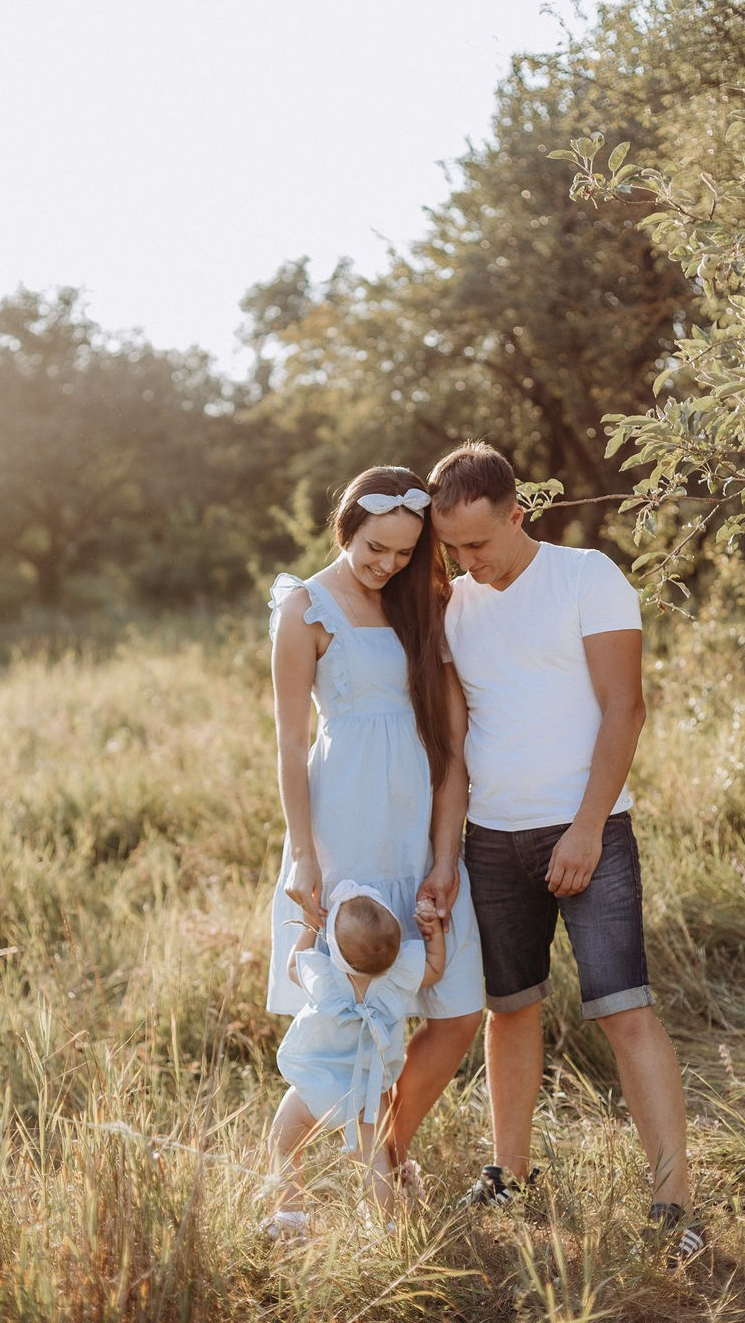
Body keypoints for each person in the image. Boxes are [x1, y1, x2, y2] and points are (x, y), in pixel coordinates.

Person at [425, 441, 705, 1268]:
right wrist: (446, 852)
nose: (470, 562)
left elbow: (626, 709)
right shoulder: (453, 604)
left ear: (518, 514)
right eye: (454, 548)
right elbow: (456, 744)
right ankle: (509, 1176)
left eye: (480, 542)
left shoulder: (587, 577)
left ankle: (673, 1204)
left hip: (591, 832)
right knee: (508, 1008)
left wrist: (585, 828)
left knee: (624, 1010)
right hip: (491, 839)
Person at [267, 465, 484, 1183]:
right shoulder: (305, 608)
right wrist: (306, 857)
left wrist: (445, 856)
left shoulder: (423, 603)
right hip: (347, 828)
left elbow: (451, 746)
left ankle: (387, 1149)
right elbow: (290, 745)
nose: (388, 565)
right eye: (375, 549)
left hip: (416, 825)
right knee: (351, 1016)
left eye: (404, 553)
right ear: (346, 529)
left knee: (457, 1007)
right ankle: (300, 1183)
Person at [264, 882, 446, 1237]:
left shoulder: (325, 977)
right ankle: (384, 1228)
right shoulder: (399, 976)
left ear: (333, 946)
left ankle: (289, 1216)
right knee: (374, 1161)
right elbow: (435, 969)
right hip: (366, 1094)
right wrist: (433, 933)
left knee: (283, 1142)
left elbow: (292, 966)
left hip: (315, 1088)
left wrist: (309, 926)